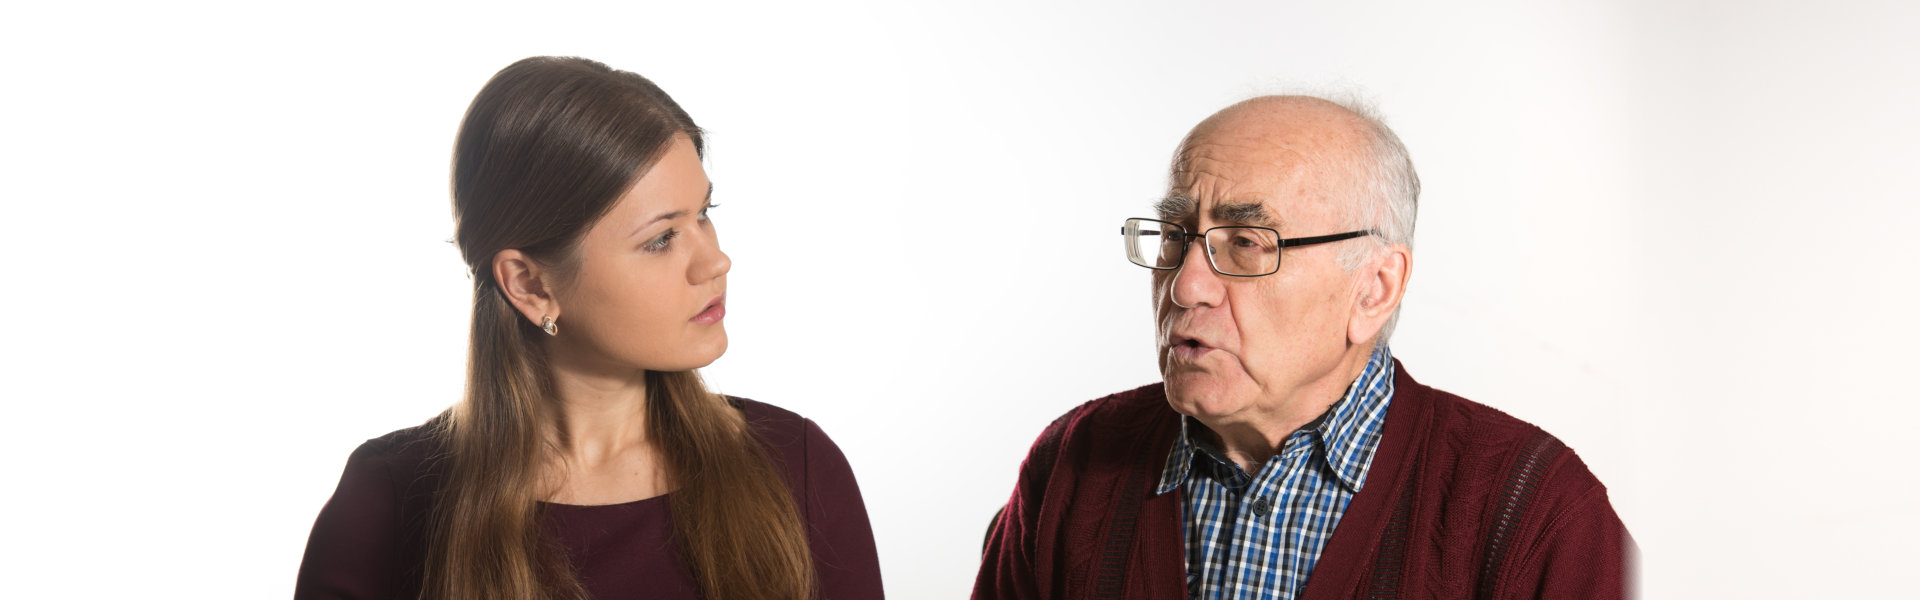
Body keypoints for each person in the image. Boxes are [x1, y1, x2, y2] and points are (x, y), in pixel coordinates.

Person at [973, 95, 1631, 599]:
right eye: (1176, 235)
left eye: (1247, 243)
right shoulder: (1073, 466)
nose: (1187, 284)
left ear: (1374, 288)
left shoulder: (1534, 511)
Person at [295, 56, 884, 600]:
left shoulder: (794, 467)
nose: (714, 261)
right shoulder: (386, 506)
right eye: (660, 238)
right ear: (529, 285)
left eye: (704, 214)